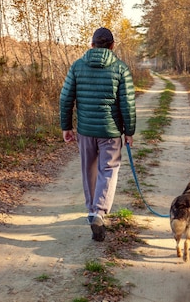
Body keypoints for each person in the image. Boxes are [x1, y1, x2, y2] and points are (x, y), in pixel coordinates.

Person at [59, 27, 136, 242]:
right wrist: (129, 131)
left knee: (89, 169)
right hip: (110, 132)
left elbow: (65, 99)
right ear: (112, 46)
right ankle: (99, 212)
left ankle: (92, 211)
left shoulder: (77, 66)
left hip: (85, 131)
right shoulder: (120, 69)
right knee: (108, 170)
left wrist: (66, 127)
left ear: (91, 45)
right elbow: (127, 104)